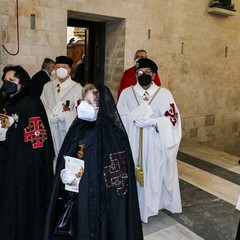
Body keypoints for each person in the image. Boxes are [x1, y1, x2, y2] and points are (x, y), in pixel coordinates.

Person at [43, 84, 143, 240]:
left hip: (103, 199)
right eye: (83, 100)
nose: (84, 105)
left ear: (101, 106)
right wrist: (65, 172)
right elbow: (69, 155)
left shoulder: (114, 135)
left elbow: (119, 176)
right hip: (81, 193)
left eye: (89, 102)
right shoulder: (78, 127)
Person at [117, 58, 182, 223]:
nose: (143, 75)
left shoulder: (164, 94)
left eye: (147, 72)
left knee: (154, 174)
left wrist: (155, 122)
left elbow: (173, 120)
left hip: (155, 143)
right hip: (132, 142)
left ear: (153, 75)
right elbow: (119, 117)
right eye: (139, 72)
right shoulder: (127, 93)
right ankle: (135, 205)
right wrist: (132, 119)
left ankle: (153, 205)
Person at [0, 65, 54, 240]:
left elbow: (36, 140)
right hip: (6, 161)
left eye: (12, 80)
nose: (7, 84)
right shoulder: (5, 101)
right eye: (5, 80)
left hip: (24, 164)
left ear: (21, 83)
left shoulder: (30, 104)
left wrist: (10, 134)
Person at [40, 56, 83, 171]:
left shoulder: (77, 88)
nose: (60, 69)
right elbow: (42, 105)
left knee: (65, 155)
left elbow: (80, 112)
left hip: (66, 129)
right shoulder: (47, 86)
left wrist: (66, 115)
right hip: (50, 127)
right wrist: (49, 114)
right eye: (58, 67)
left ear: (69, 70)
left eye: (64, 67)